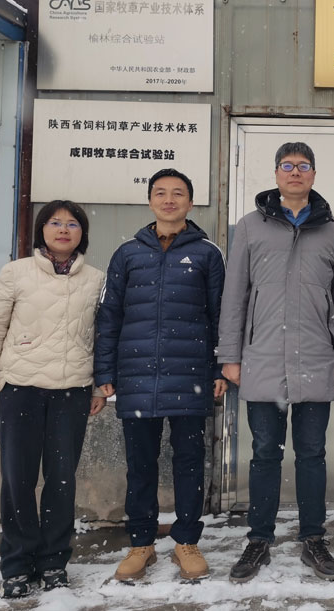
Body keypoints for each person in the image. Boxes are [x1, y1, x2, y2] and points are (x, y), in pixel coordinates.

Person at [217, 142, 334, 583]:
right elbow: (235, 295)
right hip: (262, 357)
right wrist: (230, 355)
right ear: (276, 173)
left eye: (303, 165)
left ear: (313, 174)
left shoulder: (333, 230)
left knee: (312, 453)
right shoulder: (250, 226)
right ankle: (259, 539)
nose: (295, 172)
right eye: (287, 165)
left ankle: (314, 538)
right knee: (264, 453)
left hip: (316, 357)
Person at [94, 168, 227, 582]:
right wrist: (105, 371)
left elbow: (221, 316)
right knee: (140, 464)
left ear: (190, 202)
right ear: (150, 200)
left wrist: (219, 368)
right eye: (161, 193)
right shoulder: (127, 254)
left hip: (189, 374)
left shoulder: (207, 253)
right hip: (136, 376)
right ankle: (142, 543)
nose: (169, 200)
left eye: (178, 193)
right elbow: (108, 316)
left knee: (190, 461)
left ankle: (186, 541)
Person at [0, 200, 106, 598]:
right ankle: (17, 565)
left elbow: (101, 338)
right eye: (55, 222)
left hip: (72, 392)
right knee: (18, 480)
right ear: (42, 230)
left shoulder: (96, 280)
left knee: (61, 482)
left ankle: (53, 562)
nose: (63, 230)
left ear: (83, 233)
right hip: (21, 390)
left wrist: (98, 387)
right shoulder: (16, 273)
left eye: (72, 224)